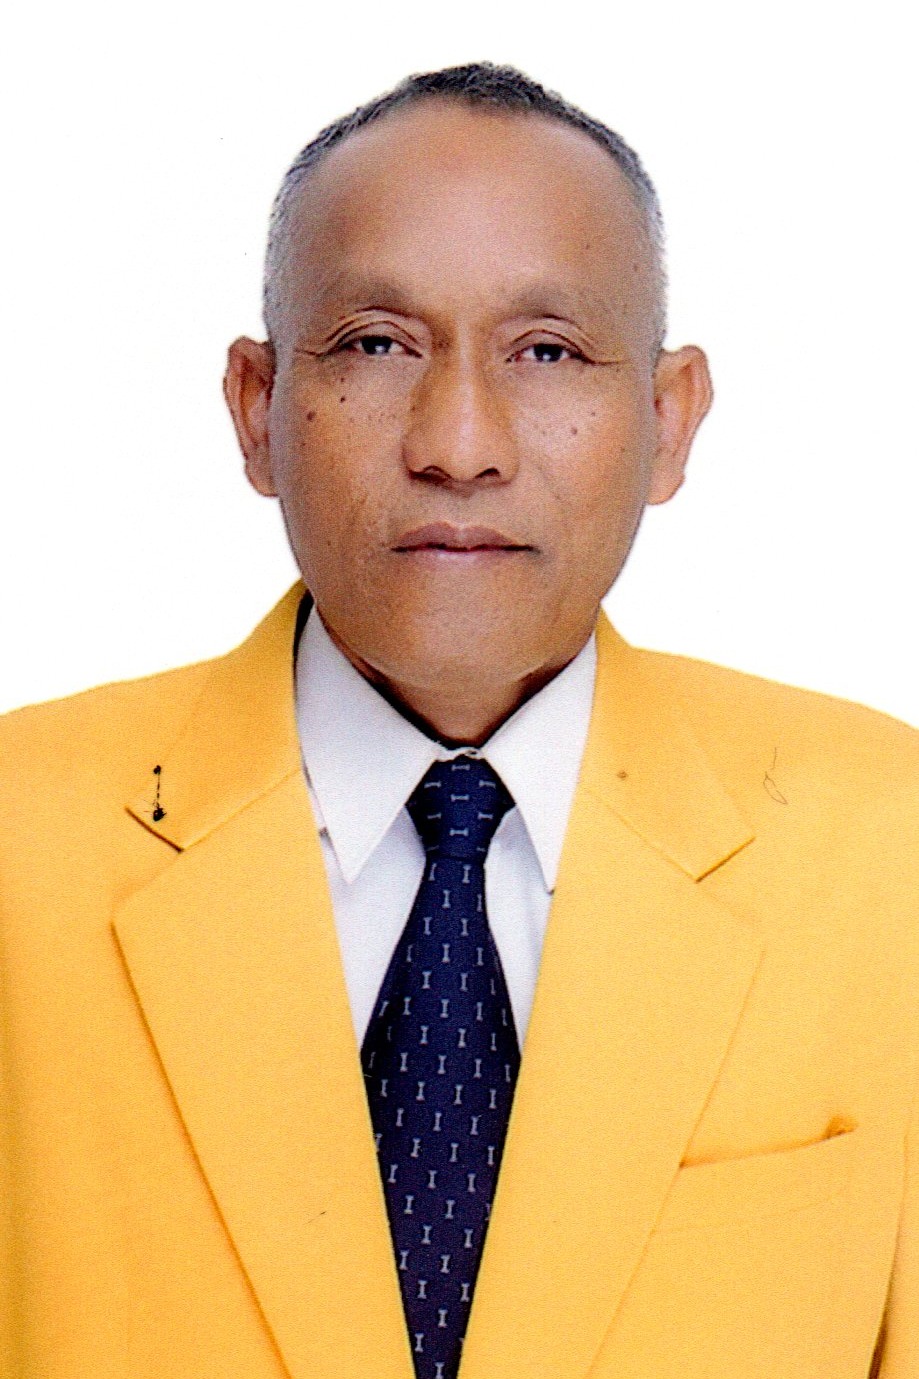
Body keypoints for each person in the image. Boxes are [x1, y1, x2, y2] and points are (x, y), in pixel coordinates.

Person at [1, 61, 918, 1379]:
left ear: (668, 422)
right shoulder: (18, 845)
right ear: (257, 409)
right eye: (377, 344)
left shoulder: (891, 850)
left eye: (547, 352)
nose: (461, 443)